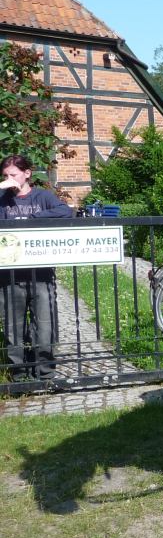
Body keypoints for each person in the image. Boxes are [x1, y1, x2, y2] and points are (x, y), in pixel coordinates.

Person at [0, 155, 74, 380]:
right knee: (13, 329)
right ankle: (19, 374)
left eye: (13, 174)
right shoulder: (2, 199)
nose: (9, 179)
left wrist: (34, 217)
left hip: (41, 274)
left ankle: (44, 374)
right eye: (5, 175)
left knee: (44, 326)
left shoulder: (42, 197)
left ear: (27, 173)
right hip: (10, 276)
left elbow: (65, 212)